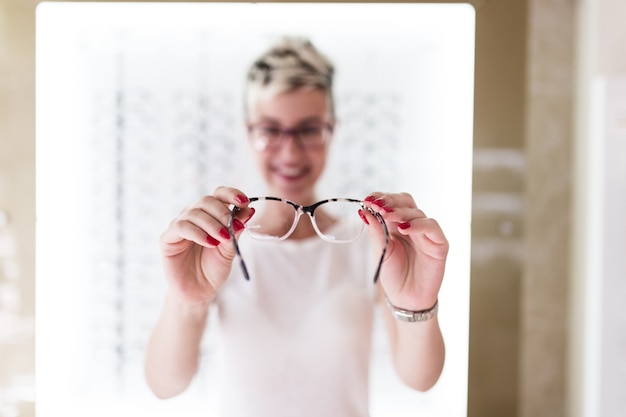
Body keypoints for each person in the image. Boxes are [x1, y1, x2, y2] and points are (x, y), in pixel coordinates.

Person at [144, 36, 448, 416]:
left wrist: (415, 304)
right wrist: (187, 301)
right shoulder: (218, 249)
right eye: (270, 130)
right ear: (249, 131)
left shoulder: (367, 244)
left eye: (308, 130)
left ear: (332, 130)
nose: (289, 152)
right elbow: (165, 384)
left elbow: (420, 377)